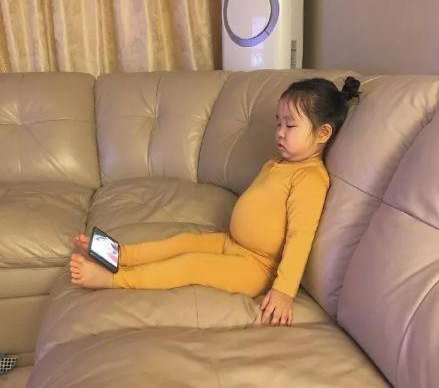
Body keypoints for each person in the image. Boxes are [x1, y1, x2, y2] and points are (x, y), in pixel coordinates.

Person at [69, 76, 361, 327]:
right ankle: (120, 255)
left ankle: (115, 279)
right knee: (183, 242)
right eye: (278, 123)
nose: (280, 132)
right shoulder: (279, 163)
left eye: (290, 126)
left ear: (323, 133)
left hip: (257, 267)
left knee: (189, 264)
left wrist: (284, 291)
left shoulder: (310, 179)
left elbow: (301, 237)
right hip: (232, 243)